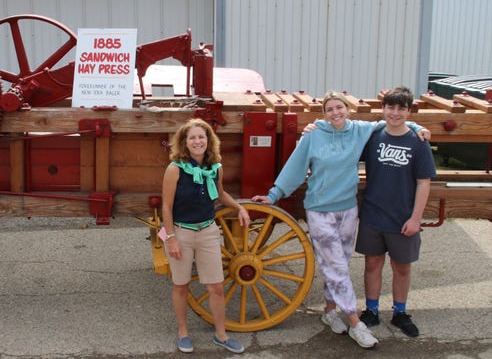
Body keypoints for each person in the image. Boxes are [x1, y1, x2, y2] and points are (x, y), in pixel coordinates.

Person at [251, 91, 429, 348]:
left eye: (339, 108)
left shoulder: (359, 129)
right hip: (320, 209)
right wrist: (274, 195)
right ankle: (356, 323)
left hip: (347, 209)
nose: (335, 113)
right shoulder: (313, 135)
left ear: (348, 110)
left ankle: (329, 310)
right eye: (330, 109)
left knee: (339, 264)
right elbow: (295, 167)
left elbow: (393, 122)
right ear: (323, 114)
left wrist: (418, 126)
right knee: (336, 267)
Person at [162, 118, 250, 354]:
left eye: (202, 137)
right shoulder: (175, 169)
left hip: (208, 231)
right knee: (181, 286)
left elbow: (220, 193)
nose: (197, 141)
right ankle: (183, 332)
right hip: (182, 232)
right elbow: (166, 207)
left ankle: (221, 335)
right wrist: (171, 238)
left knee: (216, 287)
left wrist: (239, 207)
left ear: (209, 141)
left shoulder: (215, 168)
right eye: (192, 138)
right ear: (184, 142)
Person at [356, 86, 437, 338]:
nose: (395, 113)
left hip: (403, 217)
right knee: (372, 263)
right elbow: (344, 138)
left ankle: (400, 312)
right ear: (383, 109)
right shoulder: (374, 135)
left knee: (402, 267)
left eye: (401, 108)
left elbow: (424, 182)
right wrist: (313, 128)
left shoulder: (417, 141)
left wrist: (415, 218)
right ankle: (371, 310)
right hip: (373, 213)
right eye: (390, 107)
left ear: (409, 111)